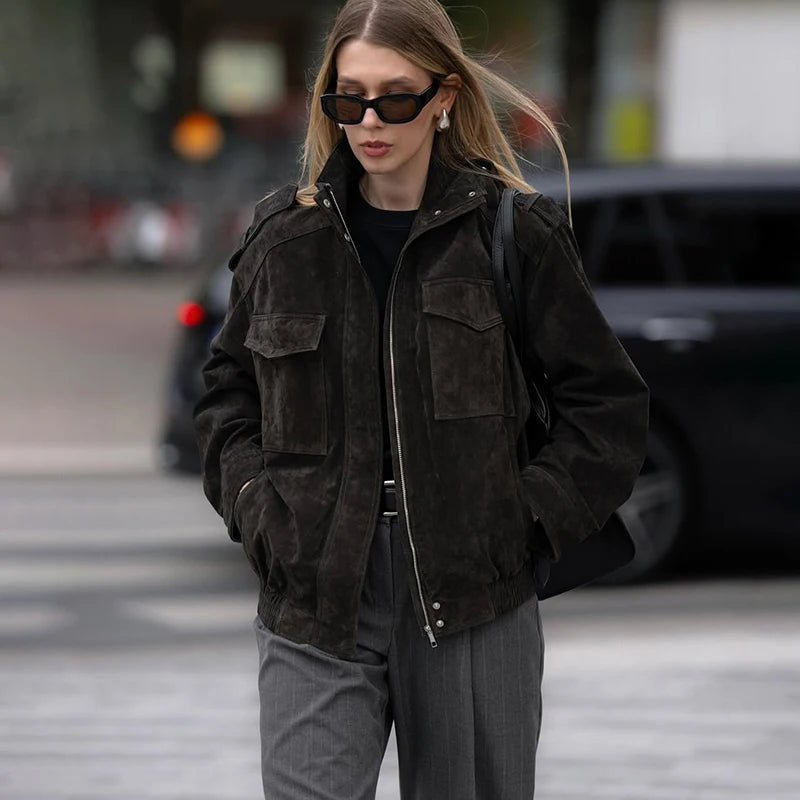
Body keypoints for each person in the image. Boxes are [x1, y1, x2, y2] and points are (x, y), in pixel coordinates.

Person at [193, 0, 649, 797]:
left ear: (443, 98)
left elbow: (605, 406)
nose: (369, 120)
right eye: (348, 97)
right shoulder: (283, 239)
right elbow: (227, 398)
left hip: (473, 596)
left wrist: (524, 518)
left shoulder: (513, 233)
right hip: (317, 597)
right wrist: (261, 513)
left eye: (395, 96)